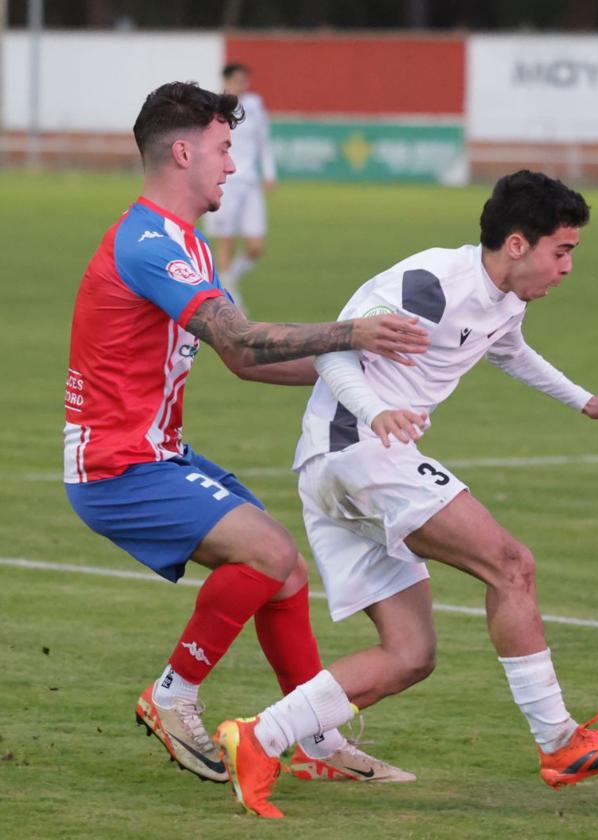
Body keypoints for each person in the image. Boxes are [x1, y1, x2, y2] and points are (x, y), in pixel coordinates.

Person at [214, 170, 598, 819]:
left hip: (342, 465)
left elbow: (509, 350)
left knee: (409, 654)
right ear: (517, 244)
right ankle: (560, 742)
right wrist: (375, 414)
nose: (567, 267)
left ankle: (260, 738)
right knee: (511, 565)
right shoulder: (428, 283)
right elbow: (336, 350)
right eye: (561, 250)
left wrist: (585, 401)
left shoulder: (503, 300)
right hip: (358, 450)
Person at [63, 81, 429, 787]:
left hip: (155, 454)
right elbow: (243, 337)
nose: (233, 164)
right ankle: (171, 696)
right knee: (268, 552)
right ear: (181, 151)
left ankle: (316, 742)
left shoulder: (188, 244)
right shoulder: (146, 243)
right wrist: (353, 333)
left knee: (284, 573)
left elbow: (239, 359)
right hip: (117, 466)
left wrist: (368, 384)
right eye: (223, 149)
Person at [205, 63, 276, 312]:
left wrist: (269, 172)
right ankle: (231, 303)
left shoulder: (255, 105)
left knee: (256, 246)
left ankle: (226, 282)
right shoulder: (214, 107)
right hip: (225, 182)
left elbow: (263, 141)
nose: (242, 85)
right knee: (226, 242)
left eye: (245, 80)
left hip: (250, 182)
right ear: (226, 81)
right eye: (237, 80)